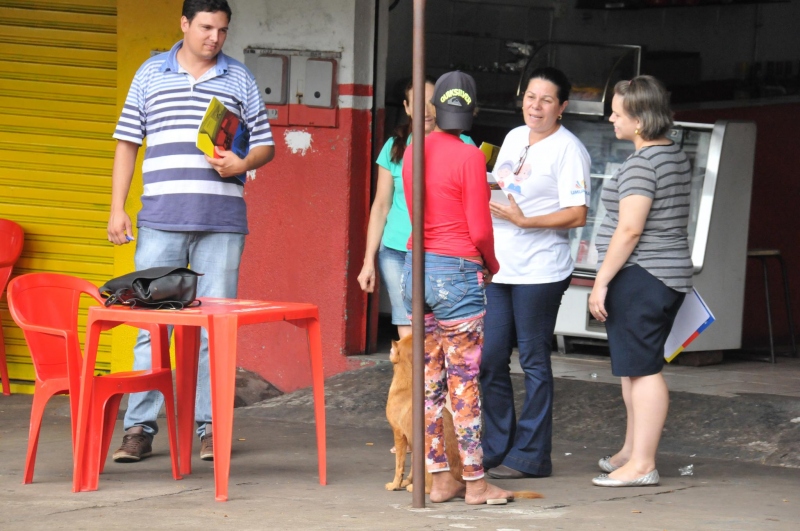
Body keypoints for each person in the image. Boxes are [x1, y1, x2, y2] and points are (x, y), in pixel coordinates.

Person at [107, 0, 275, 463]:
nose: (214, 38)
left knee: (213, 329)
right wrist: (116, 208)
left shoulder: (238, 77)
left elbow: (265, 144)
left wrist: (243, 162)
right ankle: (139, 428)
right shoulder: (149, 74)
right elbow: (127, 142)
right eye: (206, 28)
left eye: (222, 30)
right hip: (160, 220)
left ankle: (210, 429)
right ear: (184, 24)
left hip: (222, 224)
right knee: (150, 326)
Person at [400, 71, 513, 504]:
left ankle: (440, 477)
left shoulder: (412, 150)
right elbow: (480, 227)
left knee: (429, 380)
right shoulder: (469, 157)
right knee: (464, 381)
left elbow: (414, 211)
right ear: (473, 111)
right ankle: (477, 482)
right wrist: (491, 262)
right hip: (457, 272)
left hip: (416, 267)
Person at [480, 67, 591, 479]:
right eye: (530, 97)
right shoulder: (512, 137)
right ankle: (498, 446)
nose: (536, 106)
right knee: (490, 359)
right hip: (500, 267)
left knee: (533, 360)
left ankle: (531, 456)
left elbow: (578, 213)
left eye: (546, 100)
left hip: (541, 271)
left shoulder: (569, 150)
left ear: (561, 107)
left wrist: (526, 221)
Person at [588, 75, 692, 487]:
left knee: (644, 370)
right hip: (665, 275)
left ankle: (643, 463)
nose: (611, 119)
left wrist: (601, 282)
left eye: (618, 113)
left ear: (640, 120)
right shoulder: (672, 154)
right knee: (633, 366)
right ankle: (631, 451)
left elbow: (629, 230)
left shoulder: (642, 164)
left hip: (642, 274)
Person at [358, 76, 475, 342]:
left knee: (448, 331)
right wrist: (368, 262)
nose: (426, 110)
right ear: (407, 107)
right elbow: (380, 206)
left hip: (445, 253)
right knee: (409, 332)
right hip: (398, 250)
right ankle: (412, 384)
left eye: (432, 103)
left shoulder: (464, 145)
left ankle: (435, 384)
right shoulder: (394, 147)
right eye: (417, 103)